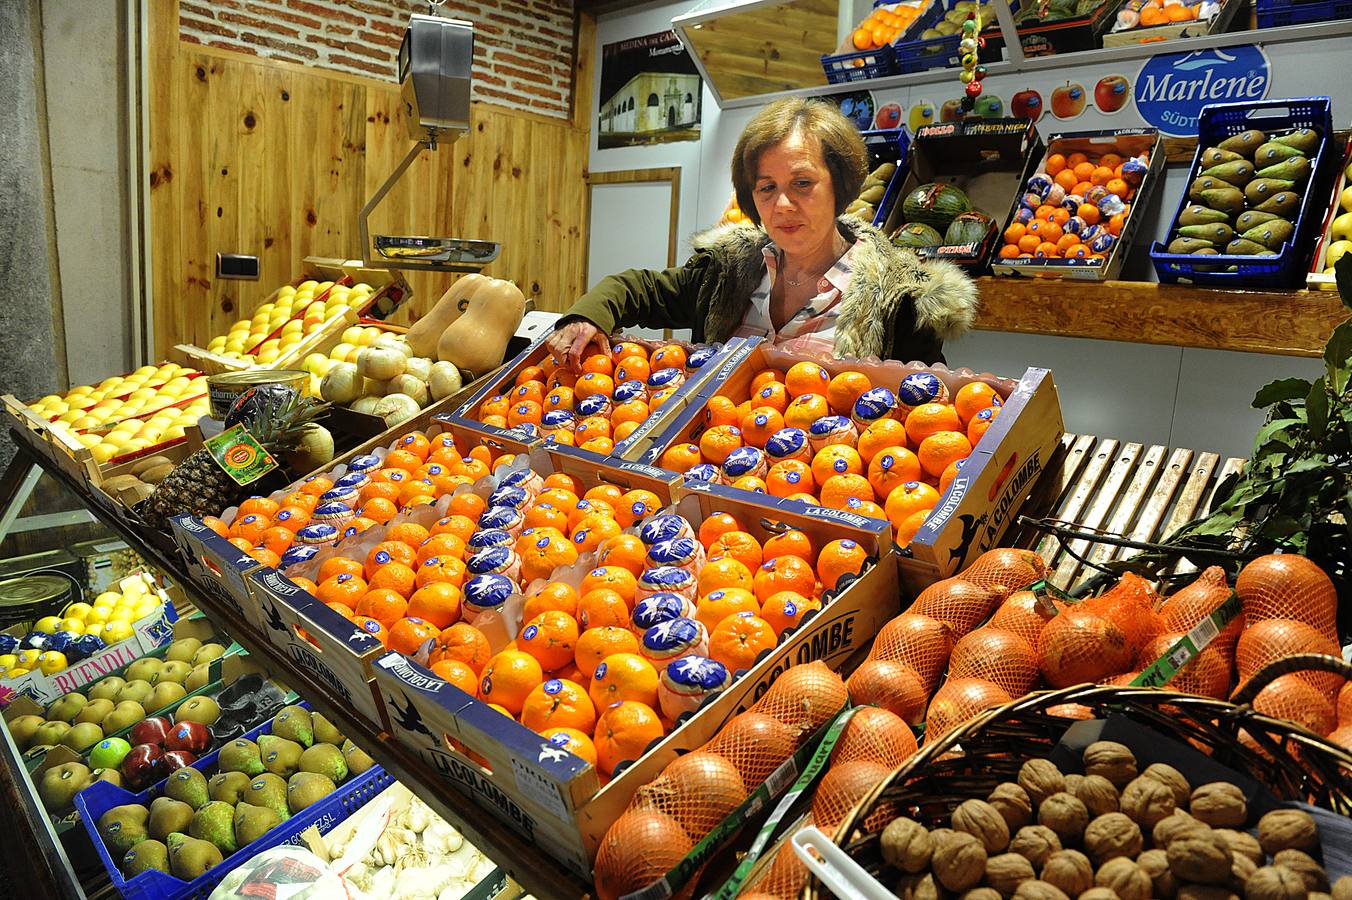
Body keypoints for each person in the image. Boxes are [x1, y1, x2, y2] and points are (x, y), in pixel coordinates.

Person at [547, 97, 978, 369]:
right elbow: (634, 288)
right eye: (767, 187)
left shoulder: (901, 302)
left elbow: (924, 409)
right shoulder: (728, 272)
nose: (783, 205)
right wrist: (586, 318)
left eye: (802, 183)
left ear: (841, 185)